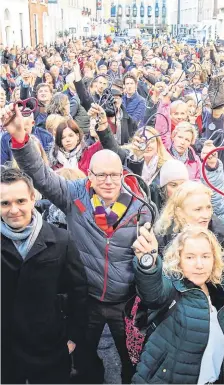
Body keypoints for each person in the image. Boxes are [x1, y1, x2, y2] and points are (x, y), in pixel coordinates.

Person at [1, 103, 150, 384]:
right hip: (89, 302)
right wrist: (20, 139)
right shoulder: (74, 196)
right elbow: (41, 176)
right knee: (82, 364)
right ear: (89, 175)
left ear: (123, 175)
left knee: (134, 363)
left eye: (114, 174)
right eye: (100, 175)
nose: (108, 181)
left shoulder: (140, 207)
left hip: (125, 303)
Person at [1, 167, 88, 384]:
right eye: (5, 203)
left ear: (33, 198)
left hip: (50, 345)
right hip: (6, 347)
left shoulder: (60, 239)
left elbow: (78, 291)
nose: (14, 210)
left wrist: (73, 337)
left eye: (20, 201)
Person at [131, 225, 224, 384]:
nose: (199, 265)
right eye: (190, 257)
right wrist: (149, 263)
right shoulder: (171, 288)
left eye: (206, 256)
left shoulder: (221, 294)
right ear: (178, 260)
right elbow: (152, 293)